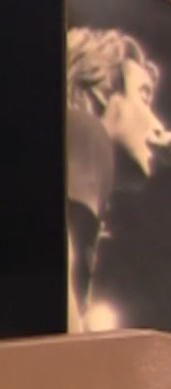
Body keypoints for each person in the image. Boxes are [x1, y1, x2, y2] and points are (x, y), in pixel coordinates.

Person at [66, 27, 171, 331]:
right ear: (102, 90)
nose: (158, 125)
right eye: (143, 96)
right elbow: (64, 266)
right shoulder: (86, 132)